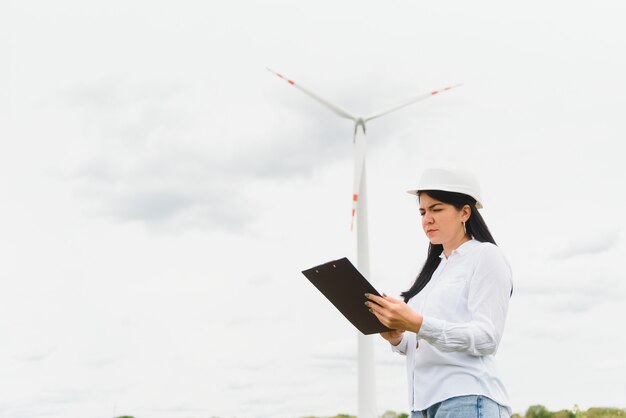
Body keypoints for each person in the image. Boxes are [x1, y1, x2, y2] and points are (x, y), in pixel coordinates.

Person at [365, 167, 513, 418]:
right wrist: (397, 337)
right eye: (422, 211)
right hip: (422, 404)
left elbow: (487, 337)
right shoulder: (432, 272)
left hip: (466, 397)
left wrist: (418, 323)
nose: (427, 219)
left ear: (465, 212)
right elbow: (424, 341)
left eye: (437, 209)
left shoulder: (485, 255)